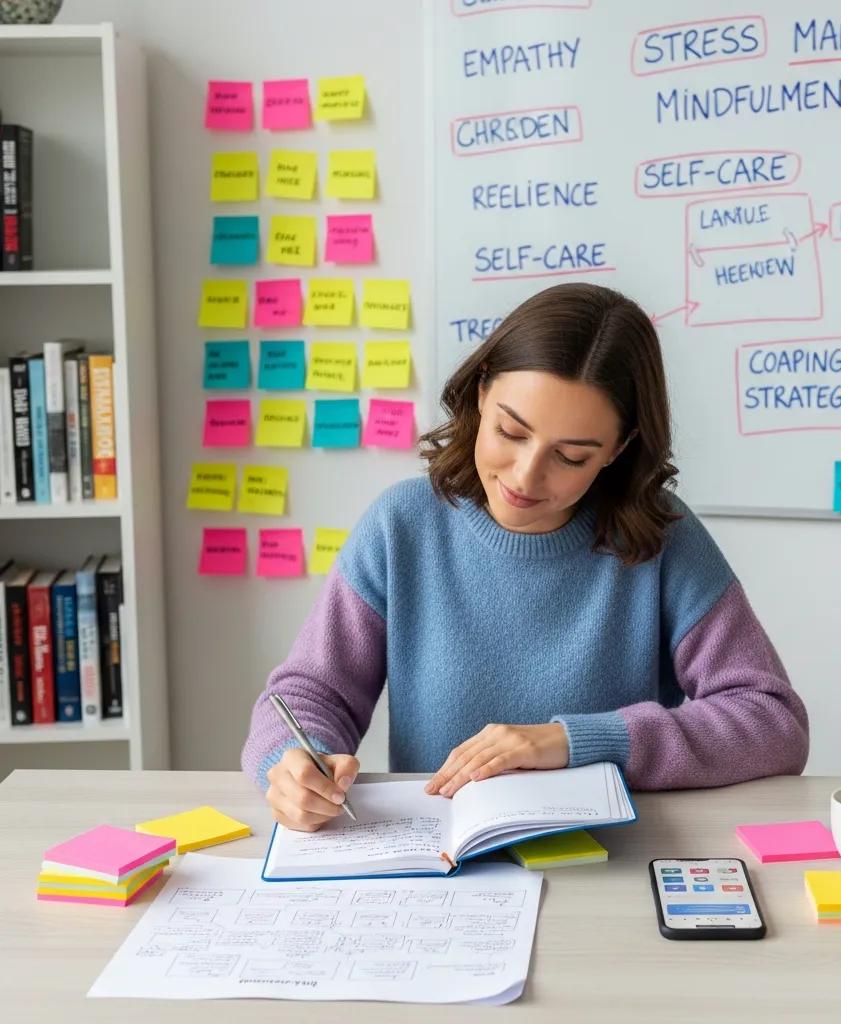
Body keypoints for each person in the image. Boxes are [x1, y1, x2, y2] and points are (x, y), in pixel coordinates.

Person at [242, 282, 809, 832]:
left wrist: (576, 742)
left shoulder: (662, 539)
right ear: (482, 392)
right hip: (441, 868)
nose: (525, 476)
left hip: (609, 864)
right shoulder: (403, 526)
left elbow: (773, 721)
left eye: (570, 456)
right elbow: (309, 694)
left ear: (619, 448)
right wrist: (294, 763)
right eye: (510, 432)